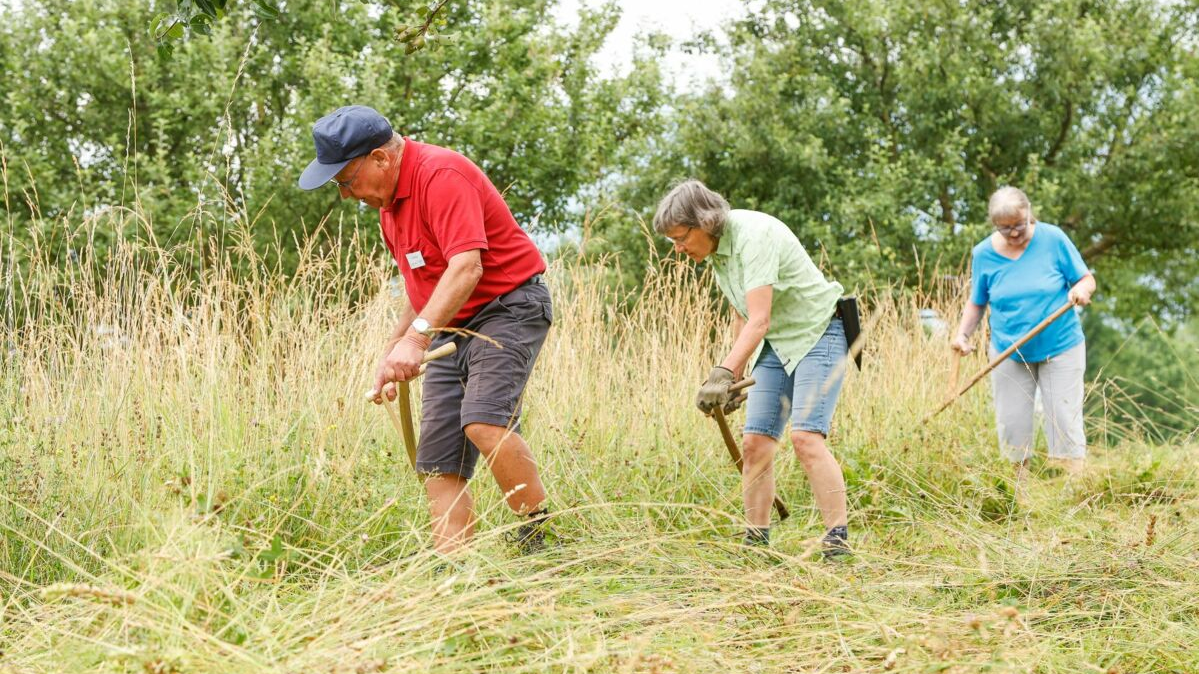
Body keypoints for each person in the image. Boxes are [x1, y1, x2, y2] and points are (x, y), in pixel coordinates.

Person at [299, 105, 554, 554]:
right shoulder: (389, 209)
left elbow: (466, 268)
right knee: (436, 461)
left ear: (379, 158)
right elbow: (423, 290)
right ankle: (451, 570)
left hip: (508, 307)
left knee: (483, 422)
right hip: (450, 325)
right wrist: (394, 349)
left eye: (345, 180)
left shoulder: (441, 175)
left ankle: (539, 537)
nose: (345, 195)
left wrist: (417, 339)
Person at [653, 179, 852, 558]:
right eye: (672, 242)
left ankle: (836, 543)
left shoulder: (754, 235)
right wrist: (734, 375)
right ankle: (756, 544)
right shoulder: (718, 254)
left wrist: (721, 372)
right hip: (777, 342)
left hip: (820, 332)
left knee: (806, 439)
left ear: (704, 222)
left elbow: (759, 319)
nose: (678, 249)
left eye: (680, 238)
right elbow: (742, 314)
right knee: (755, 442)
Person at [951, 186, 1096, 480]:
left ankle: (1073, 493)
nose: (1014, 233)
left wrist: (1081, 290)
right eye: (1005, 229)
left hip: (1061, 345)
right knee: (1012, 424)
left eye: (1019, 224)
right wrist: (962, 336)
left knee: (1063, 421)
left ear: (1029, 212)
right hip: (1009, 350)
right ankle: (1019, 495)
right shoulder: (983, 254)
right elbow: (977, 301)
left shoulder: (1053, 238)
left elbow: (1085, 278)